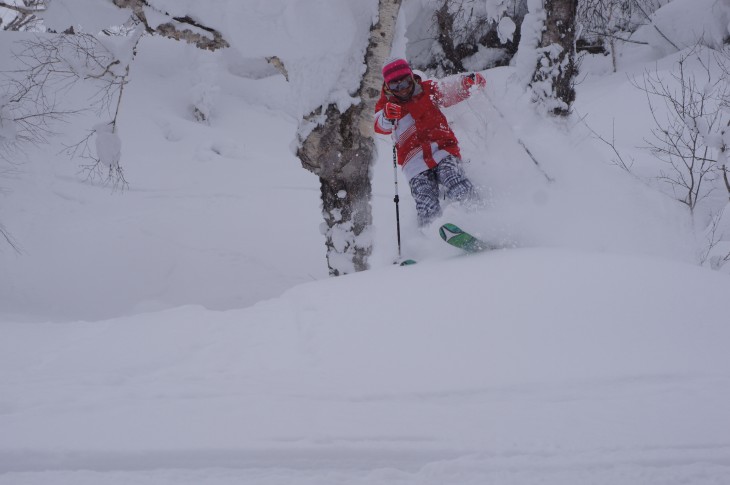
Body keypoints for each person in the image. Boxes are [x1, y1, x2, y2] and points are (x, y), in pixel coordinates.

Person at [374, 57, 486, 227]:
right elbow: (379, 125)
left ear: (411, 77)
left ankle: (481, 217)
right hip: (414, 163)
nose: (402, 90)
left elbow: (449, 91)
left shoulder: (428, 91)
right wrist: (386, 116)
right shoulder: (388, 106)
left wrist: (467, 83)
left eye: (404, 83)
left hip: (443, 150)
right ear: (388, 87)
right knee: (425, 199)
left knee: (454, 179)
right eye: (395, 87)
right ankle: (431, 238)